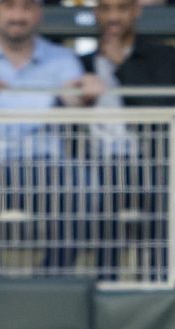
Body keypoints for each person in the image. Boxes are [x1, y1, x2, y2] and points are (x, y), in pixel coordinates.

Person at [0, 0, 104, 274]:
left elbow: (75, 102)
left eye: (27, 7)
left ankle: (53, 278)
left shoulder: (61, 58)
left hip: (45, 160)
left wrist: (86, 91)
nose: (17, 16)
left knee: (82, 186)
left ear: (39, 14)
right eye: (9, 6)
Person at [79, 0, 175, 280]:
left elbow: (158, 108)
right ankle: (104, 287)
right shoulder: (82, 63)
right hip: (96, 161)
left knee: (160, 202)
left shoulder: (163, 57)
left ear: (135, 11)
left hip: (153, 160)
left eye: (121, 8)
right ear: (96, 13)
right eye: (106, 9)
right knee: (99, 201)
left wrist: (121, 65)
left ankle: (156, 289)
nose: (113, 17)